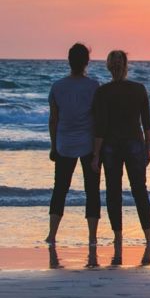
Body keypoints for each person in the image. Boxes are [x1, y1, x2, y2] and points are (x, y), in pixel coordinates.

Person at [91, 50, 150, 250]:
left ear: (109, 67)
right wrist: (147, 149)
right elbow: (147, 125)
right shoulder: (139, 89)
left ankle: (118, 237)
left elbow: (100, 128)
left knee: (113, 191)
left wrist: (95, 155)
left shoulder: (103, 92)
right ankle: (149, 236)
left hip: (111, 146)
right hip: (135, 144)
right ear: (126, 66)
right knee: (139, 190)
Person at [46, 43, 101, 245]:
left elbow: (53, 120)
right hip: (88, 144)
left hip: (64, 144)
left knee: (60, 189)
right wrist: (98, 150)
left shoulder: (57, 87)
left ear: (69, 61)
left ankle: (52, 234)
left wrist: (53, 146)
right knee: (92, 191)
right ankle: (92, 236)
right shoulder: (94, 86)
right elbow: (98, 119)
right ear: (87, 62)